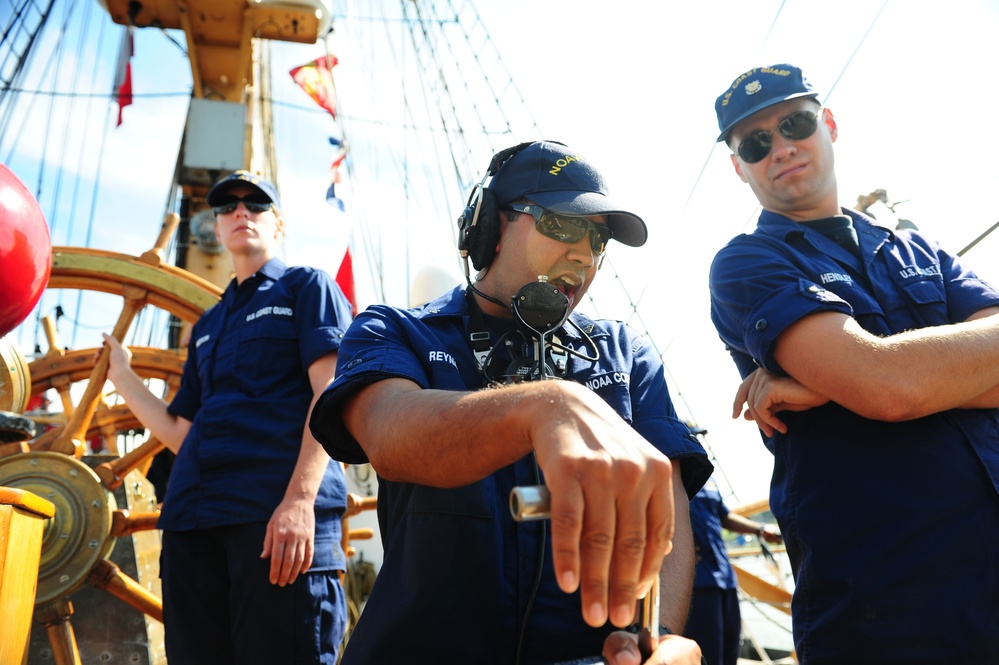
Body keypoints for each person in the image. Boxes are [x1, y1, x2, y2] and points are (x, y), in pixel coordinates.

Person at [309, 140, 713, 665]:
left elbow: (669, 502)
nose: (585, 254)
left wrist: (660, 637)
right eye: (565, 225)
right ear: (489, 227)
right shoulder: (392, 330)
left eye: (598, 239)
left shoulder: (628, 354)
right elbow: (388, 433)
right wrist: (544, 407)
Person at [708, 64, 999, 664]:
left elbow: (886, 380)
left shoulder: (919, 250)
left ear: (829, 125)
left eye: (795, 123)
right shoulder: (745, 266)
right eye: (756, 143)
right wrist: (877, 379)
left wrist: (837, 385)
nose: (781, 148)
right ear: (739, 168)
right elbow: (888, 388)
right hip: (889, 609)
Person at [103, 170, 353, 664]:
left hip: (272, 518)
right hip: (192, 524)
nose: (241, 212)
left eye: (255, 204)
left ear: (276, 223)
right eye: (228, 206)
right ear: (216, 229)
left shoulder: (307, 288)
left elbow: (331, 397)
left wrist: (300, 502)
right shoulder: (208, 324)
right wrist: (123, 376)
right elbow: (180, 432)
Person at [684, 469, 781, 665]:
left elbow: (724, 516)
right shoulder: (671, 470)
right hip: (697, 583)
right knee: (707, 654)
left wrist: (760, 530)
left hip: (725, 579)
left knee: (730, 651)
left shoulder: (706, 475)